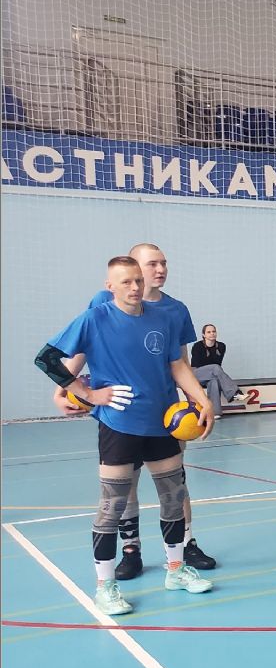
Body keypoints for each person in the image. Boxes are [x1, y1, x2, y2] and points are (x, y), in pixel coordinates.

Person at [35, 255, 217, 615]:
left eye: (138, 280)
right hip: (119, 424)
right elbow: (46, 359)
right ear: (110, 286)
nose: (134, 287)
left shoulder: (163, 318)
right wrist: (88, 394)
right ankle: (105, 587)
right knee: (112, 505)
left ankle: (176, 570)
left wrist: (202, 399)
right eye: (126, 282)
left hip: (162, 422)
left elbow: (177, 364)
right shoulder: (94, 318)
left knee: (173, 497)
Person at [191, 324, 242, 414]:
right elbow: (197, 365)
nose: (212, 334)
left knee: (214, 381)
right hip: (197, 374)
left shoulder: (221, 346)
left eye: (213, 331)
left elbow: (218, 364)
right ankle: (234, 393)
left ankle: (215, 413)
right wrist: (212, 369)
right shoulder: (197, 346)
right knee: (215, 368)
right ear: (203, 335)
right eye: (209, 332)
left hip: (212, 374)